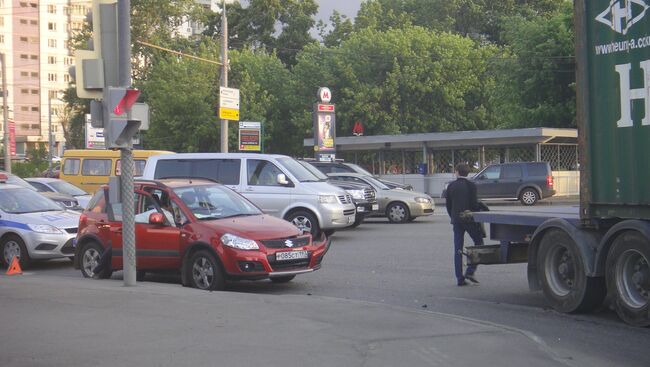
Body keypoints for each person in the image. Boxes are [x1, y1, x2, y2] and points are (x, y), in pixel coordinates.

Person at [445, 163, 484, 286]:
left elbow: (448, 206)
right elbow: (474, 205)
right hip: (469, 220)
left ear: (456, 172)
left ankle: (459, 278)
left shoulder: (451, 186)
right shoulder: (471, 186)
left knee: (458, 249)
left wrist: (453, 217)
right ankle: (470, 270)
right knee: (479, 244)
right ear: (468, 173)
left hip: (457, 221)